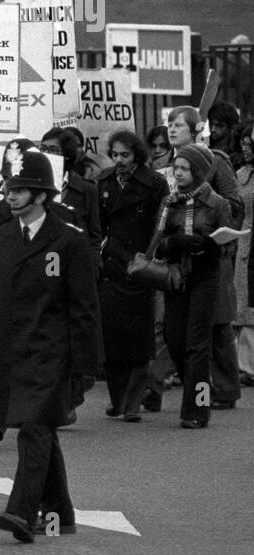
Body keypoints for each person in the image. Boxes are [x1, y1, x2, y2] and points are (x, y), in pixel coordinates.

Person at [0, 150, 101, 543]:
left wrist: (86, 365)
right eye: (9, 189)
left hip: (52, 354)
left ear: (42, 196)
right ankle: (60, 512)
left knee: (33, 427)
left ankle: (22, 513)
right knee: (42, 427)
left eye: (21, 190)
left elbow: (84, 307)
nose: (10, 197)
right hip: (10, 352)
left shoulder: (68, 241)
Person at [156, 144, 232, 429]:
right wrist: (174, 242)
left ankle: (197, 409)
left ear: (199, 172)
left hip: (205, 277)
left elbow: (228, 247)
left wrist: (208, 246)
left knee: (197, 344)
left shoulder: (217, 204)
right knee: (176, 339)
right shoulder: (169, 203)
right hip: (176, 276)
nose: (178, 173)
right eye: (176, 168)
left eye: (184, 169)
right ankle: (198, 384)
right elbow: (155, 246)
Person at [95, 130, 169, 423]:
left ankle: (133, 402)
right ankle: (119, 399)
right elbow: (96, 224)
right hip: (110, 265)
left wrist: (149, 257)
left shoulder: (154, 184)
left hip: (139, 264)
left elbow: (160, 224)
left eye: (125, 155)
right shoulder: (104, 181)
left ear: (136, 154)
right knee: (111, 337)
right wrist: (100, 249)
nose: (120, 160)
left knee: (138, 339)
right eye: (115, 154)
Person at [235, 124, 254, 387]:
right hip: (244, 244)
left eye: (250, 143)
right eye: (243, 142)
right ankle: (246, 366)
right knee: (244, 305)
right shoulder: (238, 175)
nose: (245, 147)